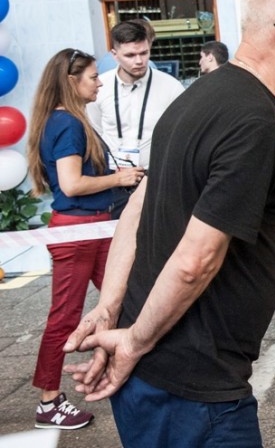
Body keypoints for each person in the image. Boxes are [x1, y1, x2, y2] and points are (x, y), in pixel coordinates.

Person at [63, 0, 275, 447]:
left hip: (158, 372)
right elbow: (196, 260)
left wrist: (112, 311)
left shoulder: (196, 97)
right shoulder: (254, 121)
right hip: (193, 386)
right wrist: (132, 341)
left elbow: (136, 210)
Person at [25, 48, 145, 431]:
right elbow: (72, 184)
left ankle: (134, 370)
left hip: (93, 229)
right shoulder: (68, 125)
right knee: (64, 318)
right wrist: (120, 178)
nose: (99, 83)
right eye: (93, 77)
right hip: (80, 232)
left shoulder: (64, 121)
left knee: (128, 299)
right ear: (71, 81)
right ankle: (49, 402)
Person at [87, 18, 184, 216]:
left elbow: (180, 135)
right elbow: (96, 131)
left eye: (144, 53)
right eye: (130, 55)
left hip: (156, 179)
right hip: (114, 181)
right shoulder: (100, 87)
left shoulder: (171, 87)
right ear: (114, 55)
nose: (139, 61)